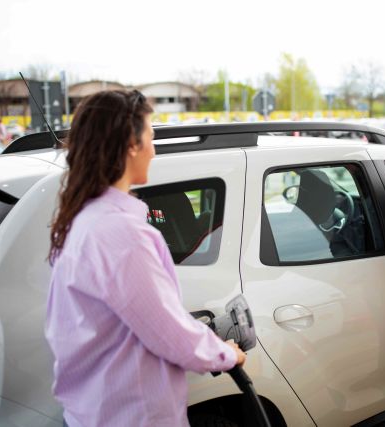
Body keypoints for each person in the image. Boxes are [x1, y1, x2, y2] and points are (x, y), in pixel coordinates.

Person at [45, 90, 246, 427]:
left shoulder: (81, 221)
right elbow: (168, 333)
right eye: (151, 137)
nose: (154, 149)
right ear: (131, 145)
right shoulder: (123, 235)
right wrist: (226, 354)